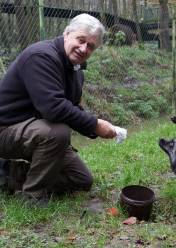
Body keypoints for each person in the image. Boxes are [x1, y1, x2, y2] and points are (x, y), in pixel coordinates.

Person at [0, 14, 119, 207]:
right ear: (66, 33)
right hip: (6, 128)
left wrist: (93, 126)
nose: (84, 49)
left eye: (90, 46)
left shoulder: (76, 69)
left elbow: (70, 107)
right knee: (56, 132)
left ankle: (9, 173)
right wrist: (95, 125)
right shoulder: (41, 57)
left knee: (81, 179)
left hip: (32, 129)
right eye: (81, 40)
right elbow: (53, 108)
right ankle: (33, 197)